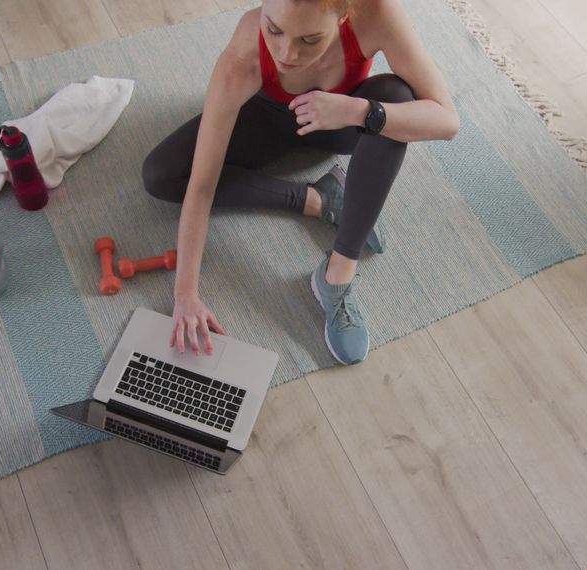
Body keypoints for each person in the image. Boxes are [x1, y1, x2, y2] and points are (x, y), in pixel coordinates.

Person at [142, 0, 460, 365]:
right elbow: (202, 184)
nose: (286, 54)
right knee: (162, 175)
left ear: (344, 14)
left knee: (396, 96)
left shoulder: (376, 12)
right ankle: (320, 199)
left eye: (310, 39)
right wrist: (186, 293)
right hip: (267, 118)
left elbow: (446, 120)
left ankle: (336, 276)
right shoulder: (245, 52)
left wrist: (359, 111)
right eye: (274, 30)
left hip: (339, 122)